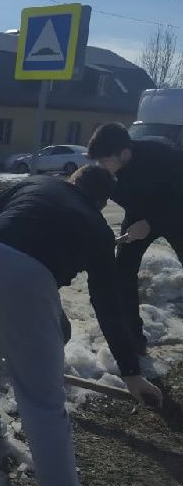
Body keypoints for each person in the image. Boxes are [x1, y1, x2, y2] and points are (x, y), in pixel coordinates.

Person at [0, 166, 162, 486]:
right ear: (102, 202)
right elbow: (108, 304)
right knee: (44, 404)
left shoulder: (35, 185)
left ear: (73, 180)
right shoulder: (97, 227)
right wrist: (131, 372)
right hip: (24, 279)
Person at [87, 122, 183, 355]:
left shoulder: (165, 155)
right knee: (123, 273)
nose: (101, 167)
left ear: (125, 153)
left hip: (177, 212)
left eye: (104, 161)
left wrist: (151, 222)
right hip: (139, 214)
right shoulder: (108, 170)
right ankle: (133, 338)